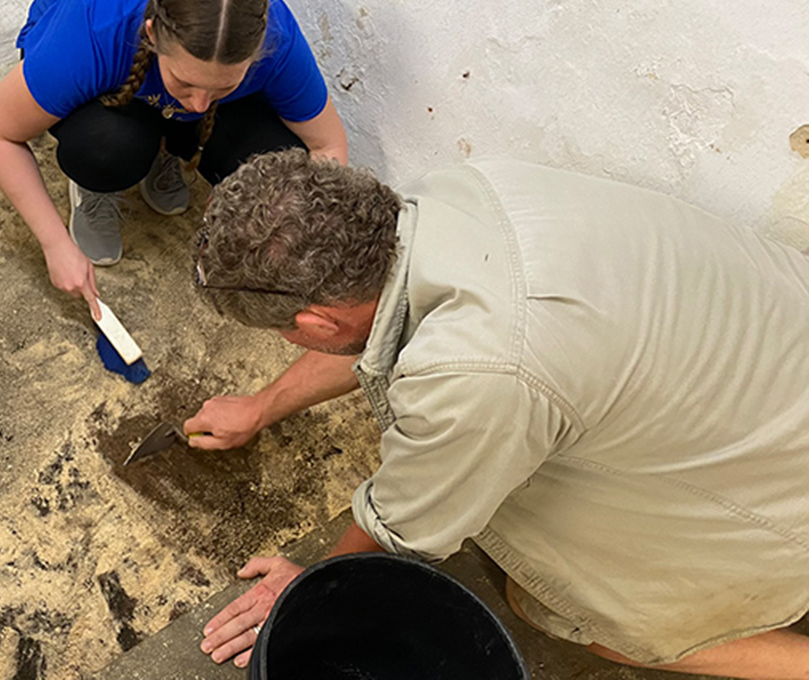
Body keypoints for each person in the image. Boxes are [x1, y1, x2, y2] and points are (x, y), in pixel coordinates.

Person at [186, 150, 809, 677]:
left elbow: (404, 524)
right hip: (774, 336)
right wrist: (262, 405)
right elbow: (377, 331)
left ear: (315, 323)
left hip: (782, 470)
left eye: (296, 338)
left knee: (576, 616)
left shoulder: (474, 373)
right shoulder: (450, 194)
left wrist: (310, 587)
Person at [0, 0, 348, 320]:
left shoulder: (276, 39)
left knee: (276, 164)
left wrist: (295, 232)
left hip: (156, 76)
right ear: (152, 34)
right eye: (184, 82)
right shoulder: (97, 24)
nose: (201, 105)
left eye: (223, 86)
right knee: (107, 148)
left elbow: (328, 147)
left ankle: (169, 148)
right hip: (111, 84)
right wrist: (54, 245)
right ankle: (98, 186)